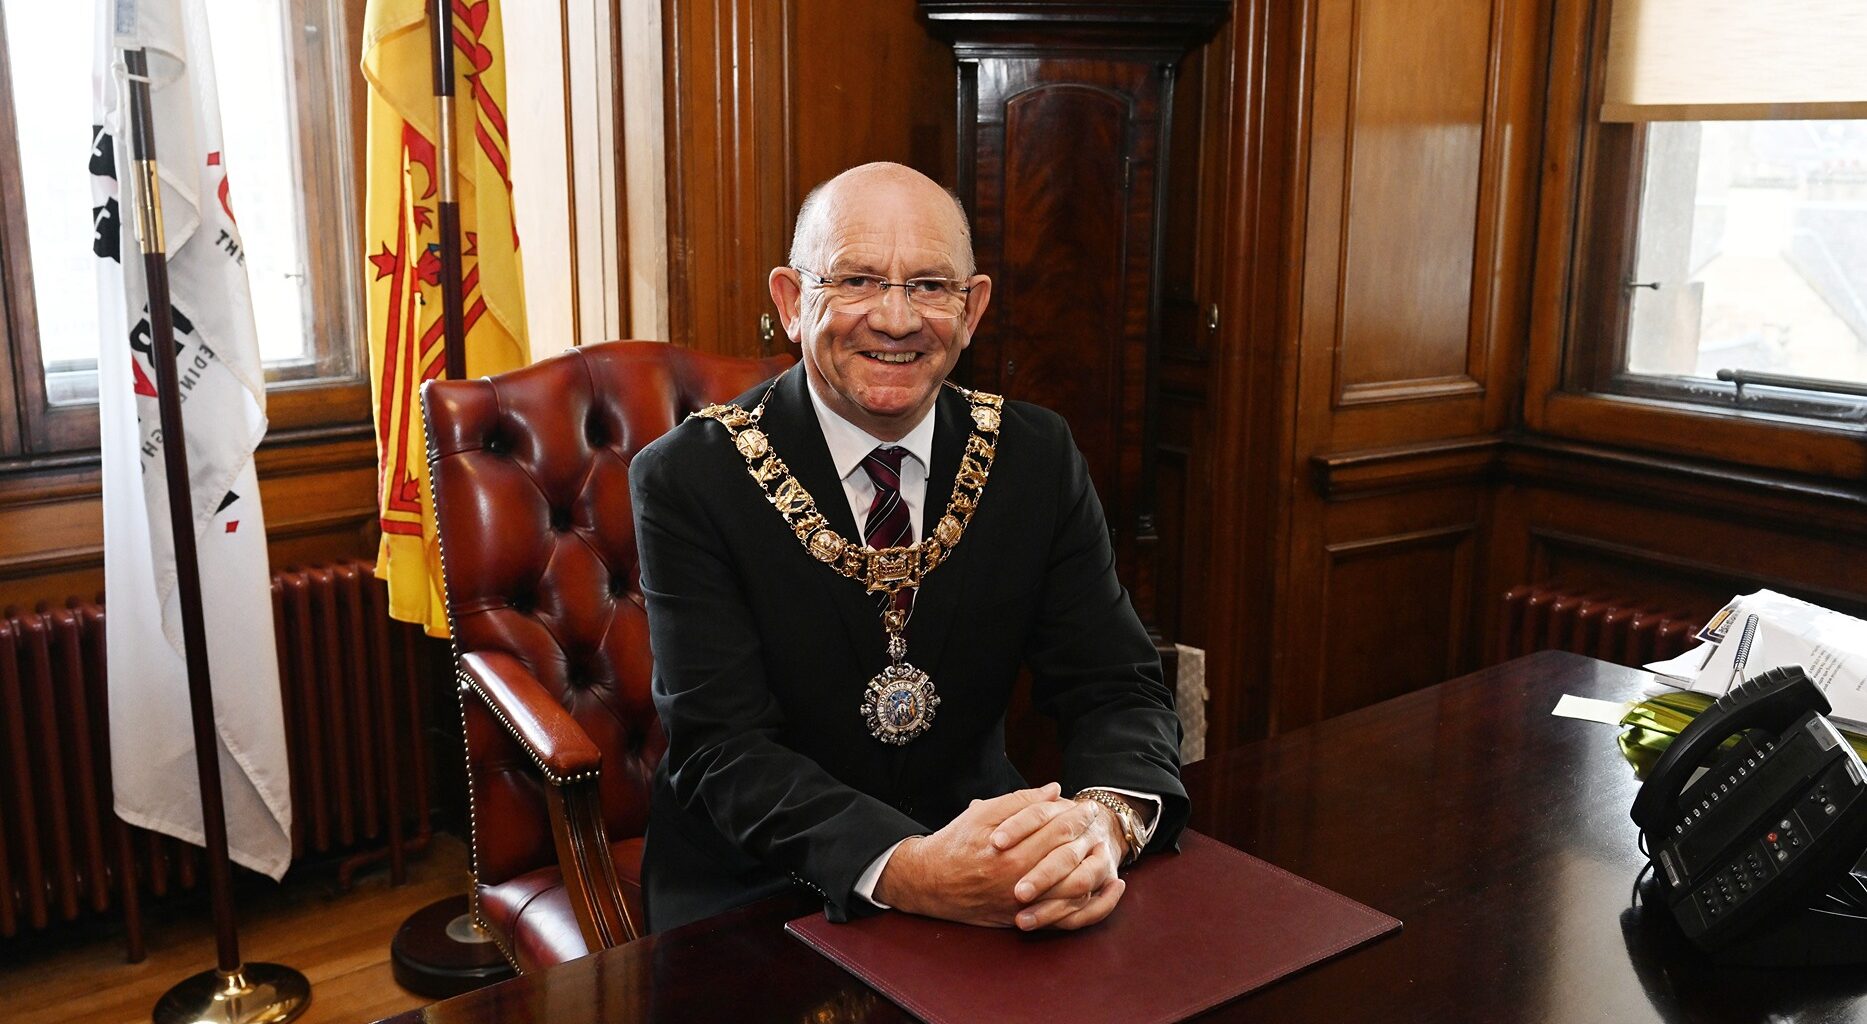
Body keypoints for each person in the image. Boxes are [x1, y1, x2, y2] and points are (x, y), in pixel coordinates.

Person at [630, 162, 1186, 934]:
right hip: (758, 887)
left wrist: (1104, 825)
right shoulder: (691, 478)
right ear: (790, 302)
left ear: (972, 308)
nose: (896, 320)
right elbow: (723, 750)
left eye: (929, 286)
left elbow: (1116, 688)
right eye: (856, 280)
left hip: (996, 865)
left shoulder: (1033, 455)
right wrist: (910, 869)